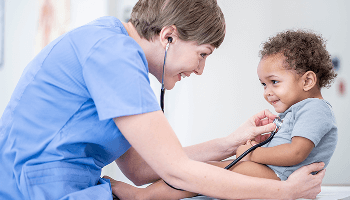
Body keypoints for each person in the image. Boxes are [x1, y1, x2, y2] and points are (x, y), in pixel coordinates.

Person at [0, 0, 325, 199]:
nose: (200, 70)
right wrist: (283, 193)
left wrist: (230, 143)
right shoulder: (114, 56)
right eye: (201, 54)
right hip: (38, 192)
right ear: (168, 36)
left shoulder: (109, 46)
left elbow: (142, 169)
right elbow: (176, 170)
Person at [106, 29, 338, 200]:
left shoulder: (315, 109)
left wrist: (252, 154)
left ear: (307, 80)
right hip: (274, 174)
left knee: (204, 174)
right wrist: (259, 146)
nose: (267, 92)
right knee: (207, 173)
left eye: (274, 82)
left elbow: (296, 152)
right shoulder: (297, 112)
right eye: (263, 85)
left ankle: (141, 197)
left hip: (278, 176)